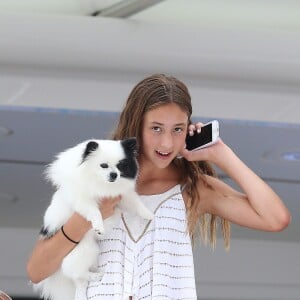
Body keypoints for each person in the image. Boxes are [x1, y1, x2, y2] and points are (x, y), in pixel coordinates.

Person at [27, 74, 291, 299]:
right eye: (156, 128)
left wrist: (221, 154)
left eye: (178, 129)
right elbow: (37, 270)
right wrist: (87, 216)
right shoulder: (91, 177)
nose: (167, 143)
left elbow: (275, 219)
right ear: (136, 124)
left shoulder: (192, 189)